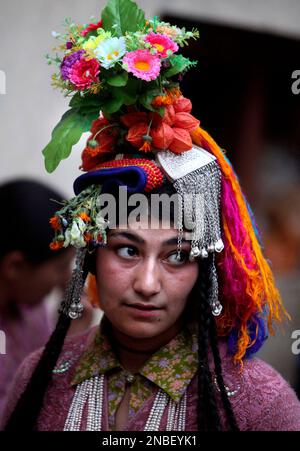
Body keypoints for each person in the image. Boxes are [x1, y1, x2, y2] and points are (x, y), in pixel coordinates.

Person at [2, 0, 300, 431]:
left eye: (177, 256)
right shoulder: (39, 377)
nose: (146, 284)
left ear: (206, 270)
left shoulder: (261, 408)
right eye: (126, 250)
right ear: (91, 256)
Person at [0, 179, 74, 420]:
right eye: (61, 267)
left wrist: (69, 336)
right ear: (15, 267)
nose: (66, 279)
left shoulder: (32, 312)